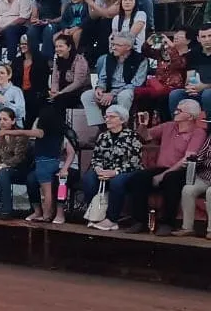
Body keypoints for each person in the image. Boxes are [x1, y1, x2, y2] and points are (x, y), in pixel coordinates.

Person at [125, 99, 206, 234]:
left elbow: (187, 159)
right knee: (139, 177)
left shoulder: (198, 132)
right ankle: (139, 221)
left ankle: (168, 223)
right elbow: (145, 136)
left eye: (179, 111)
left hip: (183, 170)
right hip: (162, 167)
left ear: (190, 116)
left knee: (171, 178)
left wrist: (162, 175)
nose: (174, 112)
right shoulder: (168, 126)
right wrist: (143, 125)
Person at [80, 105, 143, 231]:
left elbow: (135, 162)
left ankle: (112, 220)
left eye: (111, 117)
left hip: (127, 171)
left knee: (117, 181)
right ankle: (96, 215)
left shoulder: (132, 136)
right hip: (104, 170)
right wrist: (98, 169)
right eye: (106, 117)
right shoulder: (102, 136)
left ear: (122, 120)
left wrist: (115, 172)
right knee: (88, 179)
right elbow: (96, 158)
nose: (107, 119)